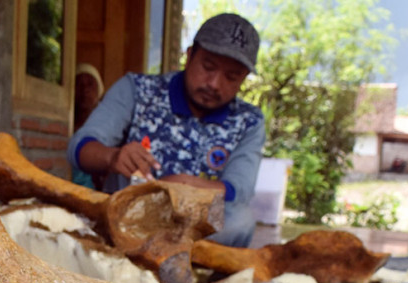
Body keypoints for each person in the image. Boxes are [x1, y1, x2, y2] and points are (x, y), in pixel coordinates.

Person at [67, 13, 266, 247]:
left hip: (195, 229)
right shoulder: (137, 90)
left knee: (241, 221)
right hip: (129, 217)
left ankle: (198, 274)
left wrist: (185, 186)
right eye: (208, 67)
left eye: (231, 77)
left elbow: (238, 190)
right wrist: (112, 157)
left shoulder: (249, 121)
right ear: (189, 55)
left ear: (243, 78)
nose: (214, 84)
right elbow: (79, 148)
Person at [71, 64, 105, 189]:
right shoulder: (67, 125)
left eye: (90, 84)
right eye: (79, 84)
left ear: (99, 89)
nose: (85, 89)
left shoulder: (109, 128)